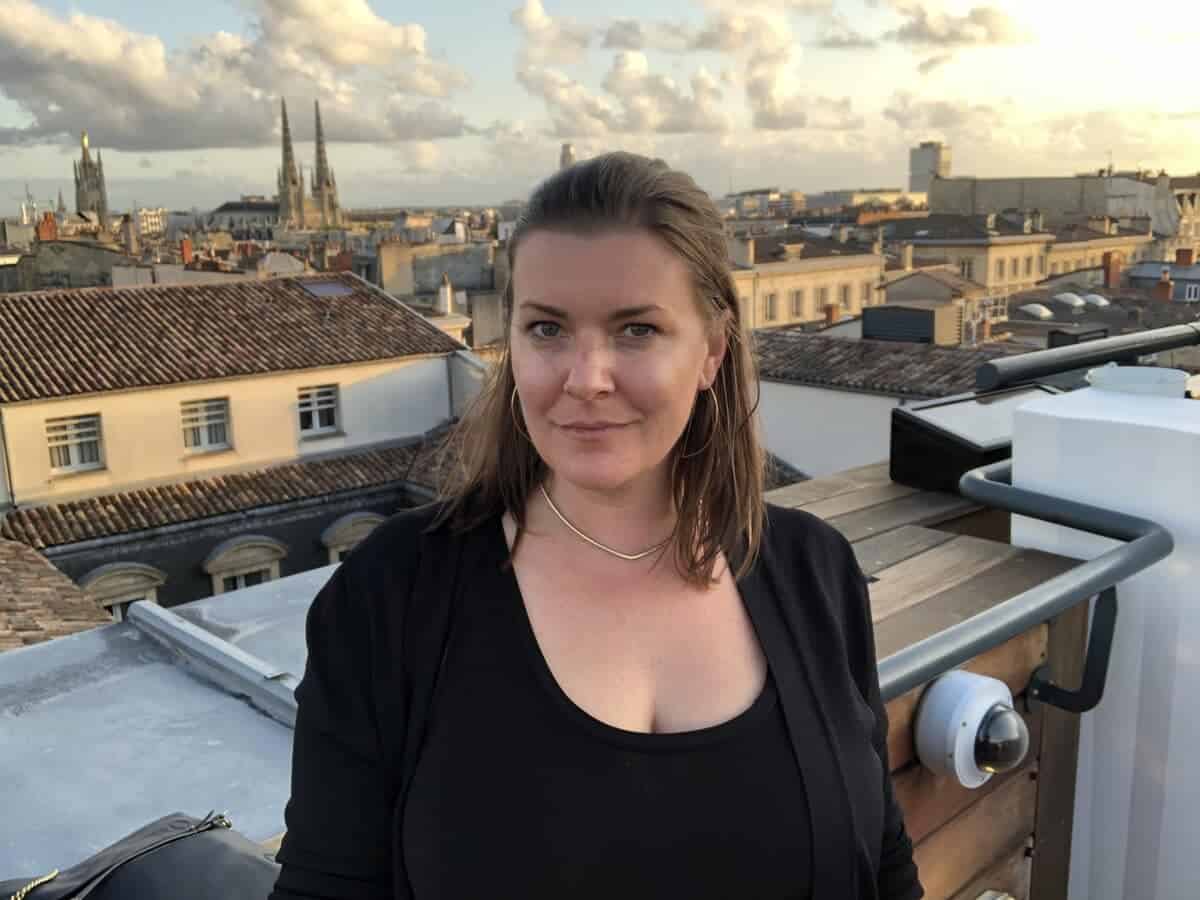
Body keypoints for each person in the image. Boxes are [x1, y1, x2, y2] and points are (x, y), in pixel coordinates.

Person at [269, 152, 923, 900]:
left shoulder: (816, 573)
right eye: (546, 329)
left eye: (637, 330)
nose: (585, 378)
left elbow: (884, 864)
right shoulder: (392, 594)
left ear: (711, 351)